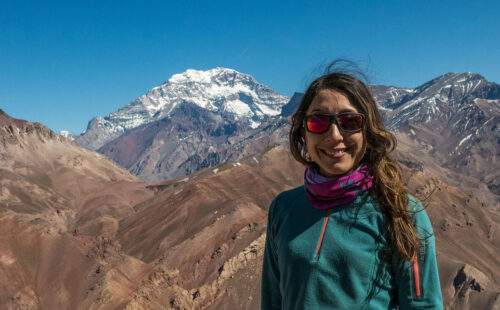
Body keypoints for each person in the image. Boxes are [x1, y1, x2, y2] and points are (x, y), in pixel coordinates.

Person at [261, 61, 443, 309]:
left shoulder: (403, 212)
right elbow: (272, 300)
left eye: (349, 122)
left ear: (368, 130)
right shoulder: (283, 208)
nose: (334, 135)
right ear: (303, 132)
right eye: (318, 122)